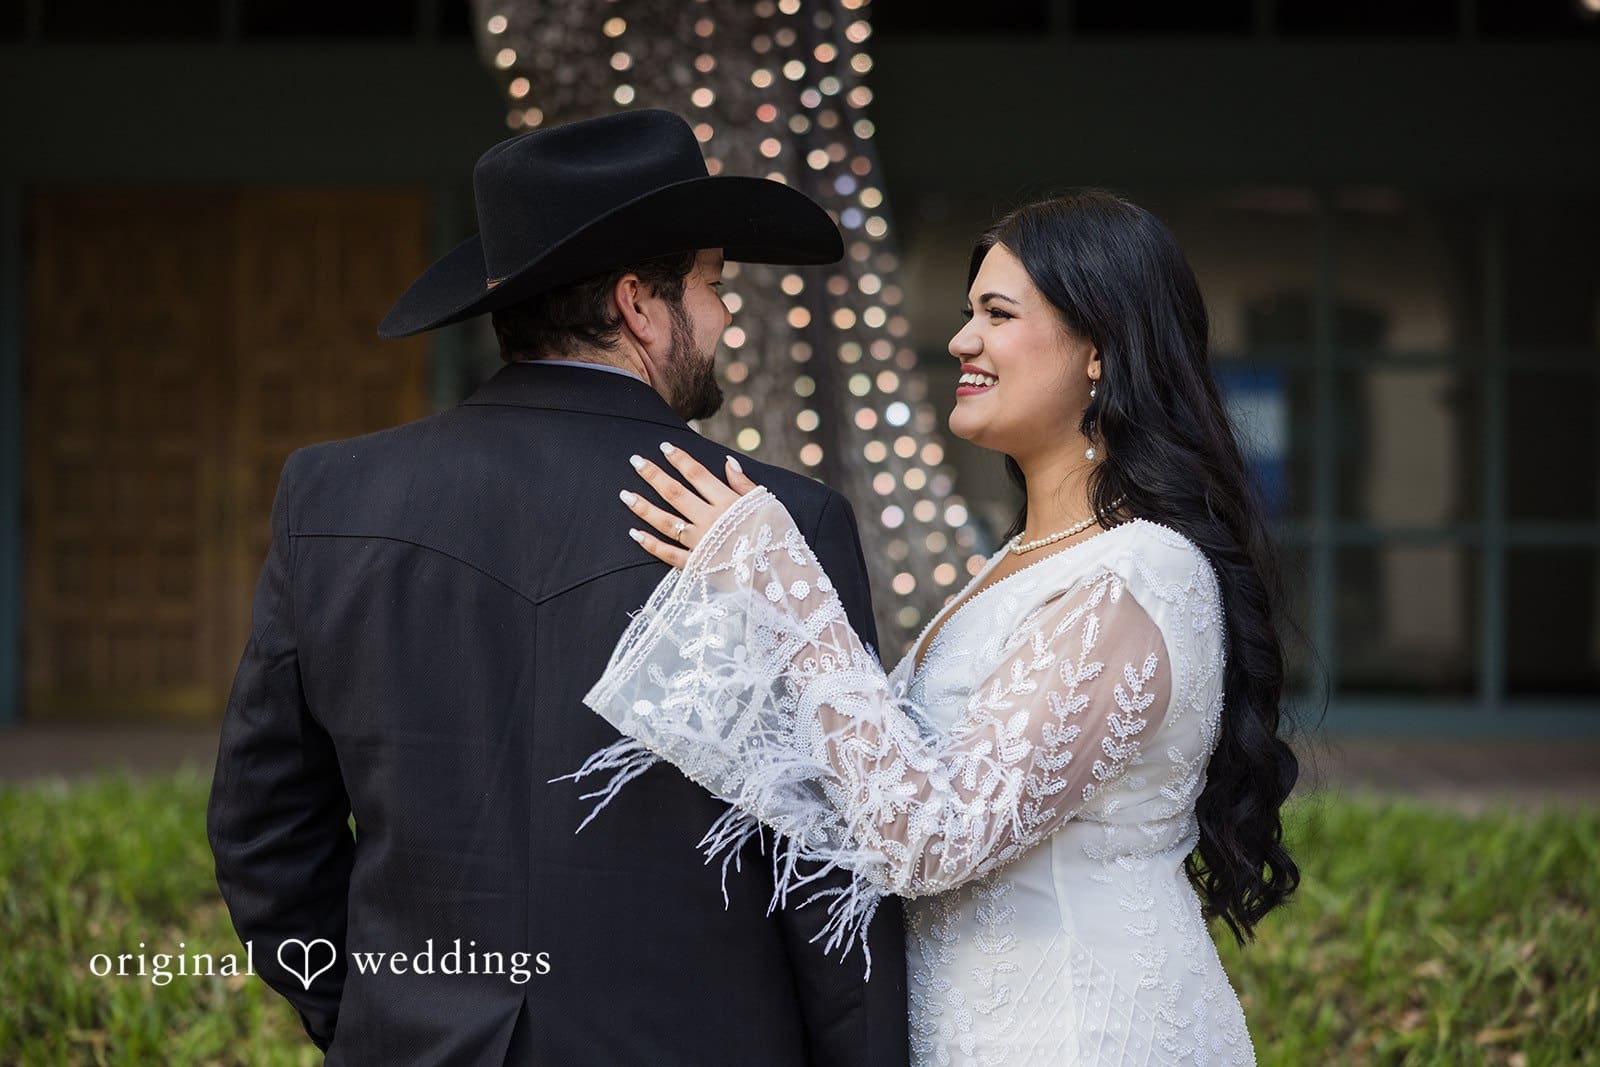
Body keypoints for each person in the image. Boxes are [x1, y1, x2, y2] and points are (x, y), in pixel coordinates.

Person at [206, 109, 909, 1066]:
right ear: (637, 304)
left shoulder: (329, 498)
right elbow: (828, 878)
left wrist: (371, 1013)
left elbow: (264, 835)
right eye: (710, 284)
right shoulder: (779, 523)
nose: (724, 312)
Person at [569, 191, 1301, 1065]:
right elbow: (879, 789)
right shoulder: (1015, 563)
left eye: (998, 313)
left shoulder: (1140, 571)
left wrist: (786, 582)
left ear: (1101, 348)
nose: (961, 340)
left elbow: (932, 836)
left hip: (1081, 1028)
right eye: (968, 313)